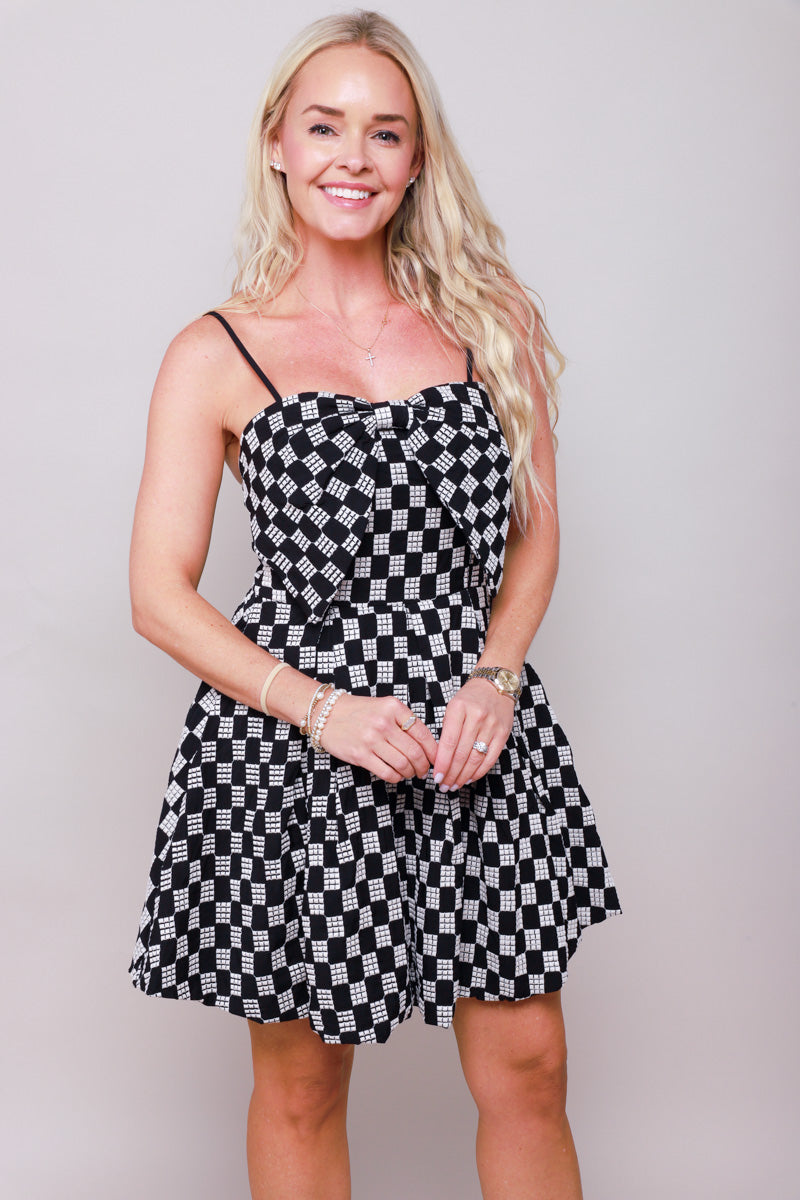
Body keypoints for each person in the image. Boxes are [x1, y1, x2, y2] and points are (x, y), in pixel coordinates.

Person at [128, 10, 621, 1198]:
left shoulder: (490, 321)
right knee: (303, 1087)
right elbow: (155, 594)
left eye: (384, 132)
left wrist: (495, 677)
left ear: (414, 161)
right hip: (295, 742)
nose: (352, 156)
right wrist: (323, 710)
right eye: (324, 126)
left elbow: (536, 532)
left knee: (530, 1067)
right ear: (276, 145)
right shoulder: (214, 352)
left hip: (469, 734)